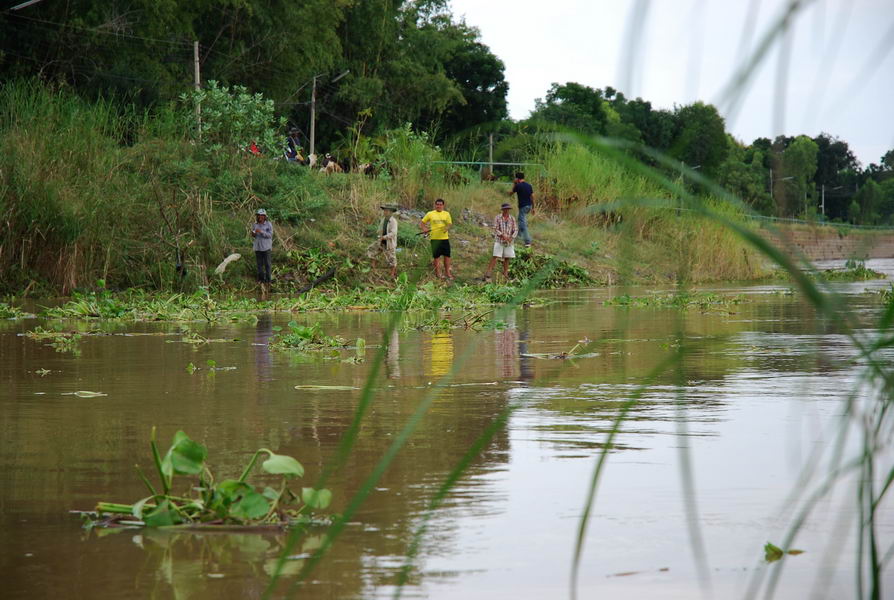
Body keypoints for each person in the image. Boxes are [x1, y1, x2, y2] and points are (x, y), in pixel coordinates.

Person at [420, 198, 453, 280]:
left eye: (440, 204)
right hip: (434, 239)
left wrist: (446, 228)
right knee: (436, 257)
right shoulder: (430, 214)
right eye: (437, 204)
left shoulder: (446, 214)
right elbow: (422, 223)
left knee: (447, 256)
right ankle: (438, 274)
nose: (438, 206)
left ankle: (447, 273)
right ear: (435, 205)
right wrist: (424, 230)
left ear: (443, 205)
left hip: (445, 238)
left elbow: (449, 224)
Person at [483, 202, 518, 281]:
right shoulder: (498, 217)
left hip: (509, 241)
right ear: (502, 210)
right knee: (495, 256)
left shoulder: (512, 218)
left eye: (508, 209)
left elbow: (515, 229)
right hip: (499, 240)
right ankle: (488, 272)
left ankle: (505, 274)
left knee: (507, 257)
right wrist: (502, 235)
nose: (506, 211)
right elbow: (495, 228)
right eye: (505, 209)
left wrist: (511, 238)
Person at [366, 204, 399, 279]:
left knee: (392, 259)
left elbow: (393, 233)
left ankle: (392, 274)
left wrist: (385, 237)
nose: (385, 212)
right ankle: (373, 267)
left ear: (391, 212)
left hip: (389, 244)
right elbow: (380, 229)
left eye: (387, 211)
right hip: (381, 241)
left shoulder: (393, 221)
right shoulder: (383, 220)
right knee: (371, 250)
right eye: (384, 210)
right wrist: (378, 235)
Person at [508, 171, 535, 247]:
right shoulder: (529, 186)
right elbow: (532, 197)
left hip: (523, 206)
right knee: (521, 221)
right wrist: (533, 208)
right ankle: (517, 237)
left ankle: (527, 241)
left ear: (517, 178)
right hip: (529, 206)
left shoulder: (518, 186)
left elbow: (510, 193)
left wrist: (514, 184)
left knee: (522, 223)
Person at [251, 208, 273, 286]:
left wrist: (261, 231)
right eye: (258, 215)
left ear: (264, 216)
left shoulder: (268, 224)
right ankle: (261, 280)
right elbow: (253, 235)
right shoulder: (255, 224)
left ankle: (268, 280)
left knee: (267, 264)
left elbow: (270, 235)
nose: (260, 217)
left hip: (266, 248)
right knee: (259, 265)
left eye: (261, 215)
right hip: (258, 247)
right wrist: (253, 233)